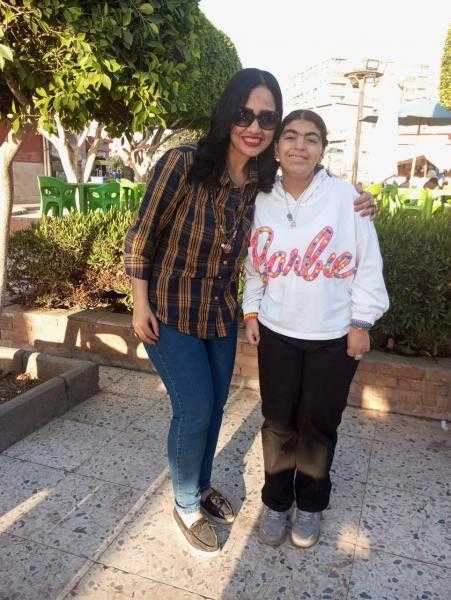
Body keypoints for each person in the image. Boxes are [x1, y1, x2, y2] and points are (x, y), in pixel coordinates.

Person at [124, 70, 376, 557]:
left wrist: (363, 204)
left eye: (266, 118)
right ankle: (185, 504)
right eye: (245, 114)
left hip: (218, 315)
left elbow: (282, 232)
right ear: (228, 114)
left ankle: (201, 486)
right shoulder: (183, 163)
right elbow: (142, 234)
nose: (254, 127)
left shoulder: (260, 185)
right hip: (171, 311)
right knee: (195, 409)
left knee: (216, 408)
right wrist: (139, 302)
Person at [243, 109, 389, 549]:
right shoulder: (261, 198)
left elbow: (368, 265)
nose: (299, 146)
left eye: (311, 138)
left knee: (319, 426)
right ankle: (275, 503)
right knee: (278, 424)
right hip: (277, 332)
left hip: (332, 337)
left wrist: (361, 322)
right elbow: (254, 263)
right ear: (277, 146)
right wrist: (251, 311)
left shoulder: (348, 199)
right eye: (290, 136)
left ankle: (310, 505)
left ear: (323, 149)